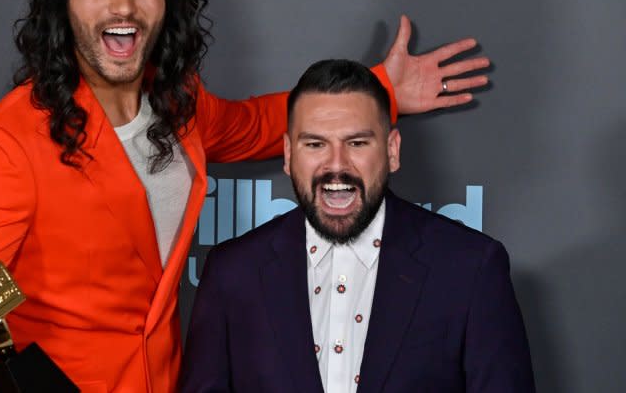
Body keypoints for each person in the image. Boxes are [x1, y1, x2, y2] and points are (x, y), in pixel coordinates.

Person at [0, 0, 491, 392]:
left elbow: (260, 123)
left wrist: (385, 89)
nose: (123, 6)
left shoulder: (177, 101)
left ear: (167, 2)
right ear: (63, 3)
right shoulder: (7, 141)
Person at [180, 59, 535, 393]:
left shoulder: (470, 268)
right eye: (315, 144)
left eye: (357, 143)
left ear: (392, 151)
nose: (336, 165)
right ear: (288, 155)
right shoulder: (233, 272)